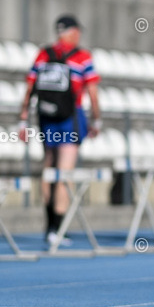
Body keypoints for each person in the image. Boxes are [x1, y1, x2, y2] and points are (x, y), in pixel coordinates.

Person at [20, 15, 102, 246]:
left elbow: (29, 88)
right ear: (74, 32)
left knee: (49, 168)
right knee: (64, 172)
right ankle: (58, 226)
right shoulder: (83, 57)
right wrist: (97, 120)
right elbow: (93, 92)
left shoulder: (44, 54)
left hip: (46, 116)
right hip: (70, 117)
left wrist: (22, 119)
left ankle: (49, 226)